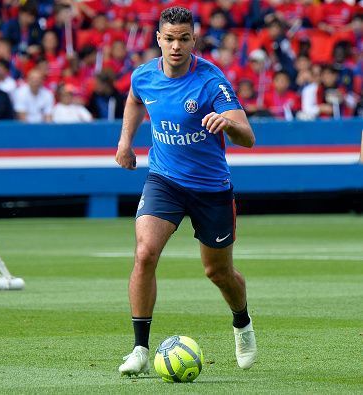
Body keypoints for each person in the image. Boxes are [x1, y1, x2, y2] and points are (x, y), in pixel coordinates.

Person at [115, 7, 257, 377]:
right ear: (158, 39)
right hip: (164, 180)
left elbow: (248, 138)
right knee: (145, 253)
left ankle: (241, 322)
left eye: (183, 38)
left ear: (193, 40)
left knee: (218, 272)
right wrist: (125, 141)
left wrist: (227, 122)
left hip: (211, 189)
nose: (176, 46)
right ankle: (140, 348)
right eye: (169, 38)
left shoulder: (211, 81)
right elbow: (134, 99)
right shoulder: (144, 75)